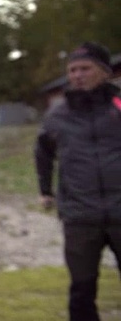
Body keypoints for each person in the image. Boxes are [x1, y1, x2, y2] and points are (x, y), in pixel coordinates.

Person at [35, 41, 121, 321]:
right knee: (82, 290)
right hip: (80, 217)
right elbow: (43, 151)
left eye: (85, 68)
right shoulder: (58, 114)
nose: (77, 75)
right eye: (72, 70)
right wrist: (45, 190)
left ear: (104, 72)